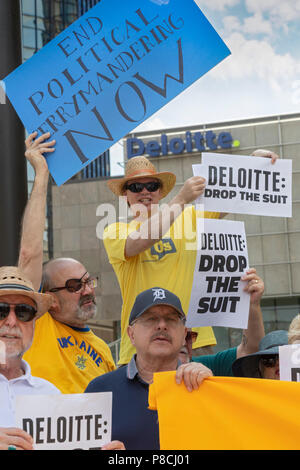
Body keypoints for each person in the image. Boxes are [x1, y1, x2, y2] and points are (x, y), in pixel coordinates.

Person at [104, 150, 279, 366]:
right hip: (142, 345)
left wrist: (252, 162)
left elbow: (230, 196)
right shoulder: (116, 230)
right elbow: (140, 241)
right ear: (125, 195)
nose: (145, 192)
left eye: (152, 186)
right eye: (136, 187)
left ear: (160, 192)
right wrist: (181, 199)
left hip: (195, 341)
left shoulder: (189, 216)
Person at [85, 287, 213, 450]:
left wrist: (211, 390)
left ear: (184, 334)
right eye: (151, 319)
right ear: (131, 334)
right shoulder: (100, 390)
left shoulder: (203, 387)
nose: (161, 325)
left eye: (171, 319)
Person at [0, 132, 61, 451]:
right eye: (1, 310)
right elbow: (28, 254)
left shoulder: (51, 395)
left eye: (22, 311)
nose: (11, 321)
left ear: (34, 323)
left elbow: (31, 254)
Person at [24, 257, 116, 394]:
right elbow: (28, 255)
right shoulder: (35, 324)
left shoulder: (102, 348)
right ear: (51, 300)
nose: (88, 291)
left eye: (89, 282)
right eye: (75, 286)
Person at [182, 269, 265, 376]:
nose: (183, 343)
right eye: (153, 319)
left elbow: (250, 351)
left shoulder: (202, 366)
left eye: (188, 337)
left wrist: (252, 304)